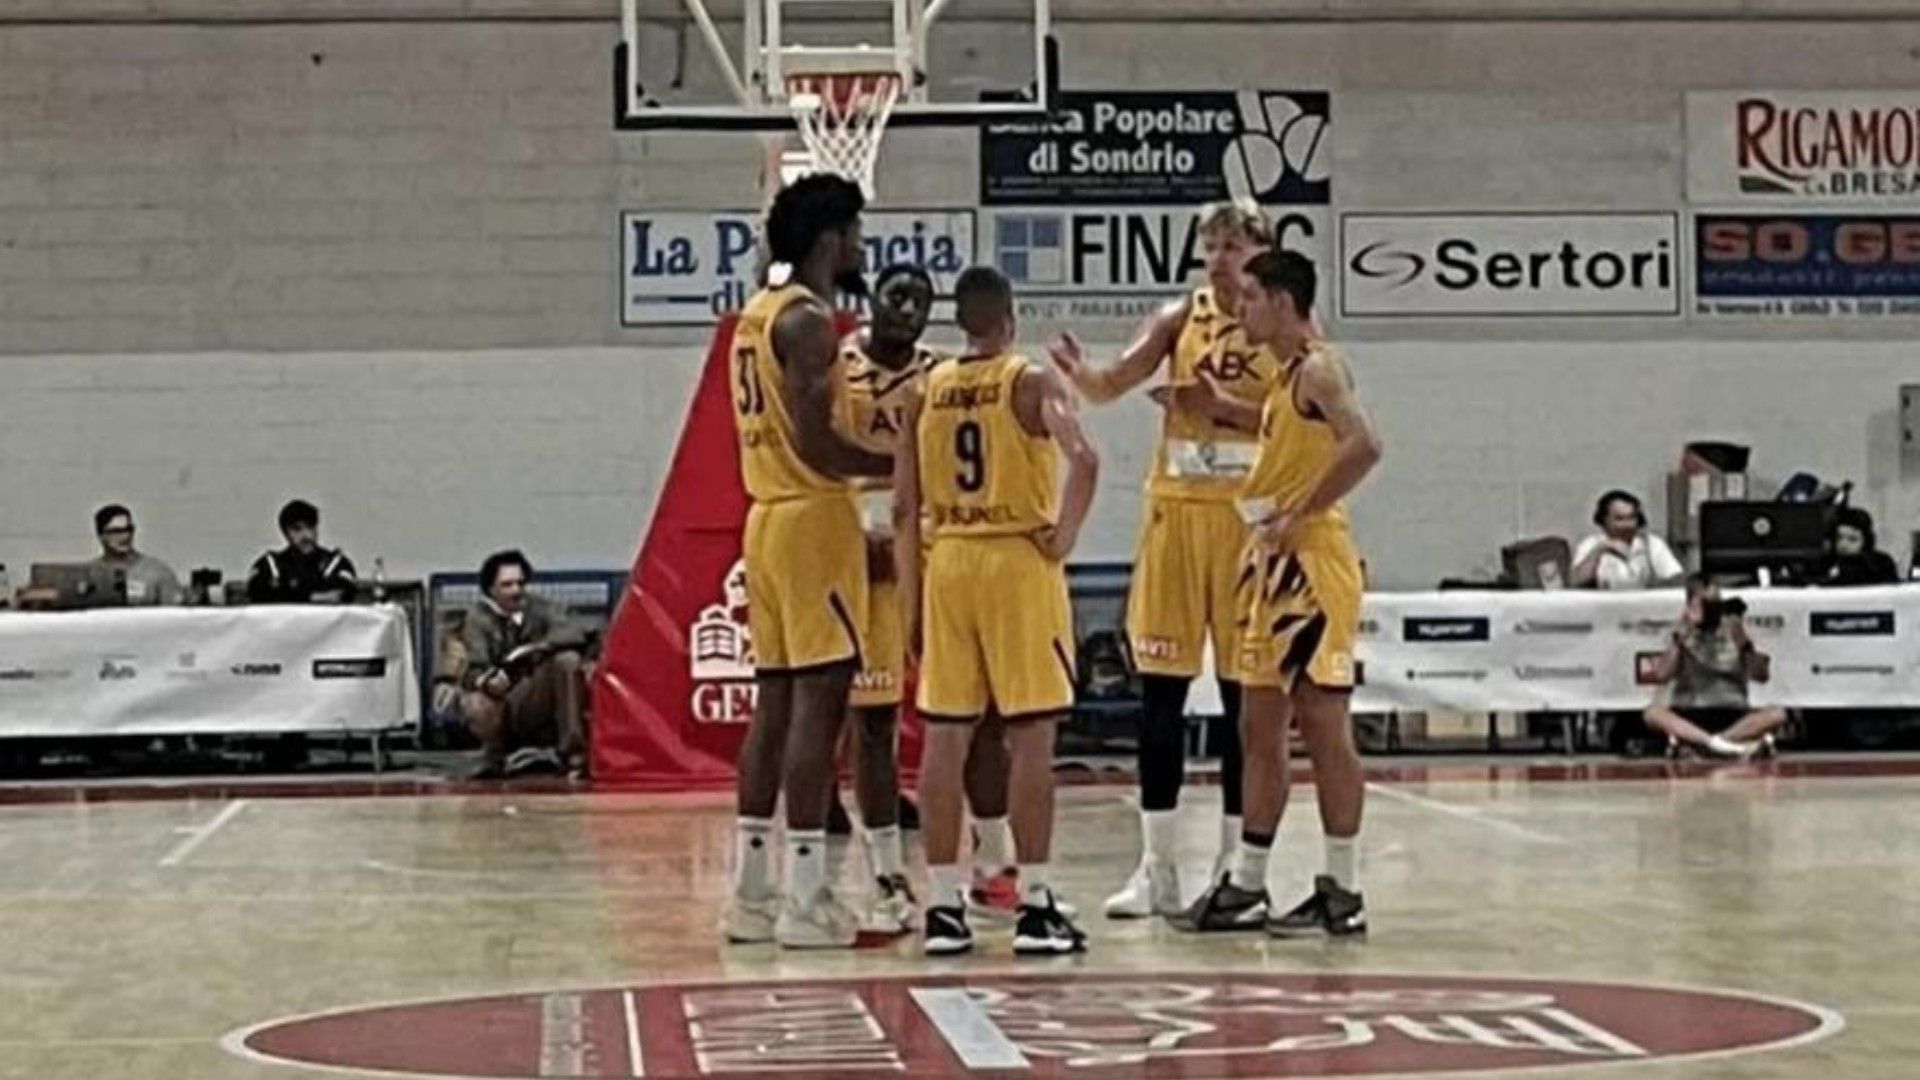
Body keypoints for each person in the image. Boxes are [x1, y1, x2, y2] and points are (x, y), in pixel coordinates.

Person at [1047, 200, 1275, 919]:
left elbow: (1305, 416)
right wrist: (1083, 374)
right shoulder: (1180, 317)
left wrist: (1224, 406)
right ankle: (1157, 869)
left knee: (1243, 701)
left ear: (1262, 249)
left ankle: (1236, 866)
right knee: (1161, 695)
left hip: (1247, 522)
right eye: (1209, 246)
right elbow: (1112, 383)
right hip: (1176, 513)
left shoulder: (1284, 323)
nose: (1217, 259)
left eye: (1231, 245)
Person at [1174, 250, 1382, 938]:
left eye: (1252, 296)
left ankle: (1343, 889)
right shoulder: (1287, 377)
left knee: (1323, 728)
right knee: (1256, 727)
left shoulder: (1321, 368)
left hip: (1311, 564)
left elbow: (1366, 444)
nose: (1241, 309)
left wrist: (1301, 510)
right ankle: (1247, 883)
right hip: (1269, 563)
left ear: (1284, 302)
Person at [897, 266, 1099, 956]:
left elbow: (903, 508)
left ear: (960, 321)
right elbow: (1086, 459)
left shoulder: (924, 389)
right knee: (1032, 734)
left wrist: (912, 602)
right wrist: (1064, 536)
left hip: (949, 560)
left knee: (946, 735)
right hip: (1016, 558)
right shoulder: (1031, 381)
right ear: (1010, 320)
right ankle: (1035, 904)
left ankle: (943, 906)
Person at [722, 174, 892, 950]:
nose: (861, 245)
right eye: (854, 232)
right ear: (831, 239)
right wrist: (899, 462)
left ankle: (751, 897)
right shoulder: (811, 323)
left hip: (764, 518)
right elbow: (818, 444)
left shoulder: (757, 313)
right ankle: (805, 897)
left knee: (776, 705)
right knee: (818, 710)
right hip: (813, 517)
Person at [829, 262, 943, 935]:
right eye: (897, 295)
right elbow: (815, 452)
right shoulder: (836, 366)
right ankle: (885, 869)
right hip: (856, 548)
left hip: (928, 552)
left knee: (965, 713)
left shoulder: (940, 376)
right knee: (872, 719)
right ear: (872, 299)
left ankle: (988, 861)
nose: (907, 308)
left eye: (921, 300)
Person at [459, 550, 589, 779]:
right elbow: (473, 668)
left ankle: (574, 754)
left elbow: (573, 632)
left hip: (536, 691)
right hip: (503, 699)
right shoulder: (477, 619)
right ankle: (495, 754)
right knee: (477, 704)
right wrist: (489, 681)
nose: (516, 591)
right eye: (507, 585)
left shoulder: (541, 607)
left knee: (568, 660)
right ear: (491, 590)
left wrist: (539, 648)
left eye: (520, 583)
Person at [1642, 575, 1785, 760]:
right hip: (1691, 713)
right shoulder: (1681, 632)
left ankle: (1710, 745)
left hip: (1733, 713)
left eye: (1715, 604)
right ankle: (1726, 746)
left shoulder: (1734, 627)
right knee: (1652, 713)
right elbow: (1662, 674)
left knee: (1777, 714)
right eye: (1706, 605)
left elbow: (1761, 675)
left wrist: (1744, 643)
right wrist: (1681, 639)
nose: (1712, 611)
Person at [246, 499, 358, 603]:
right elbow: (258, 593)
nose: (306, 535)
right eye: (297, 529)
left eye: (310, 527)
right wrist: (314, 597)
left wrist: (286, 591)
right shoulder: (271, 566)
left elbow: (345, 593)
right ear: (286, 533)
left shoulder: (335, 563)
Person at [1573, 490, 1683, 590]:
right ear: (1604, 520)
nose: (1627, 525)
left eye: (1631, 518)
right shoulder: (1590, 544)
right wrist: (1600, 549)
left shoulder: (1652, 543)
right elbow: (1576, 582)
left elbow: (1676, 578)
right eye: (1619, 519)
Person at [89, 504, 184, 606]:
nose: (125, 536)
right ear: (101, 535)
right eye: (116, 531)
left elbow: (175, 612)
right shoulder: (91, 574)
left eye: (128, 529)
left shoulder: (156, 572)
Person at [1817, 507, 1902, 586]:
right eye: (1839, 538)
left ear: (1865, 541)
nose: (1843, 544)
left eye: (1852, 539)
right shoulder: (1825, 563)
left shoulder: (1881, 563)